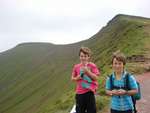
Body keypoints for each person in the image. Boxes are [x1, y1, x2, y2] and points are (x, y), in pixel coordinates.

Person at [71, 47, 100, 113]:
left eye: (85, 56)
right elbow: (72, 79)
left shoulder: (92, 65)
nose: (83, 58)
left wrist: (87, 72)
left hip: (89, 92)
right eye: (81, 56)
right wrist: (77, 78)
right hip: (79, 94)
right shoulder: (76, 67)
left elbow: (96, 78)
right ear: (79, 56)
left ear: (88, 57)